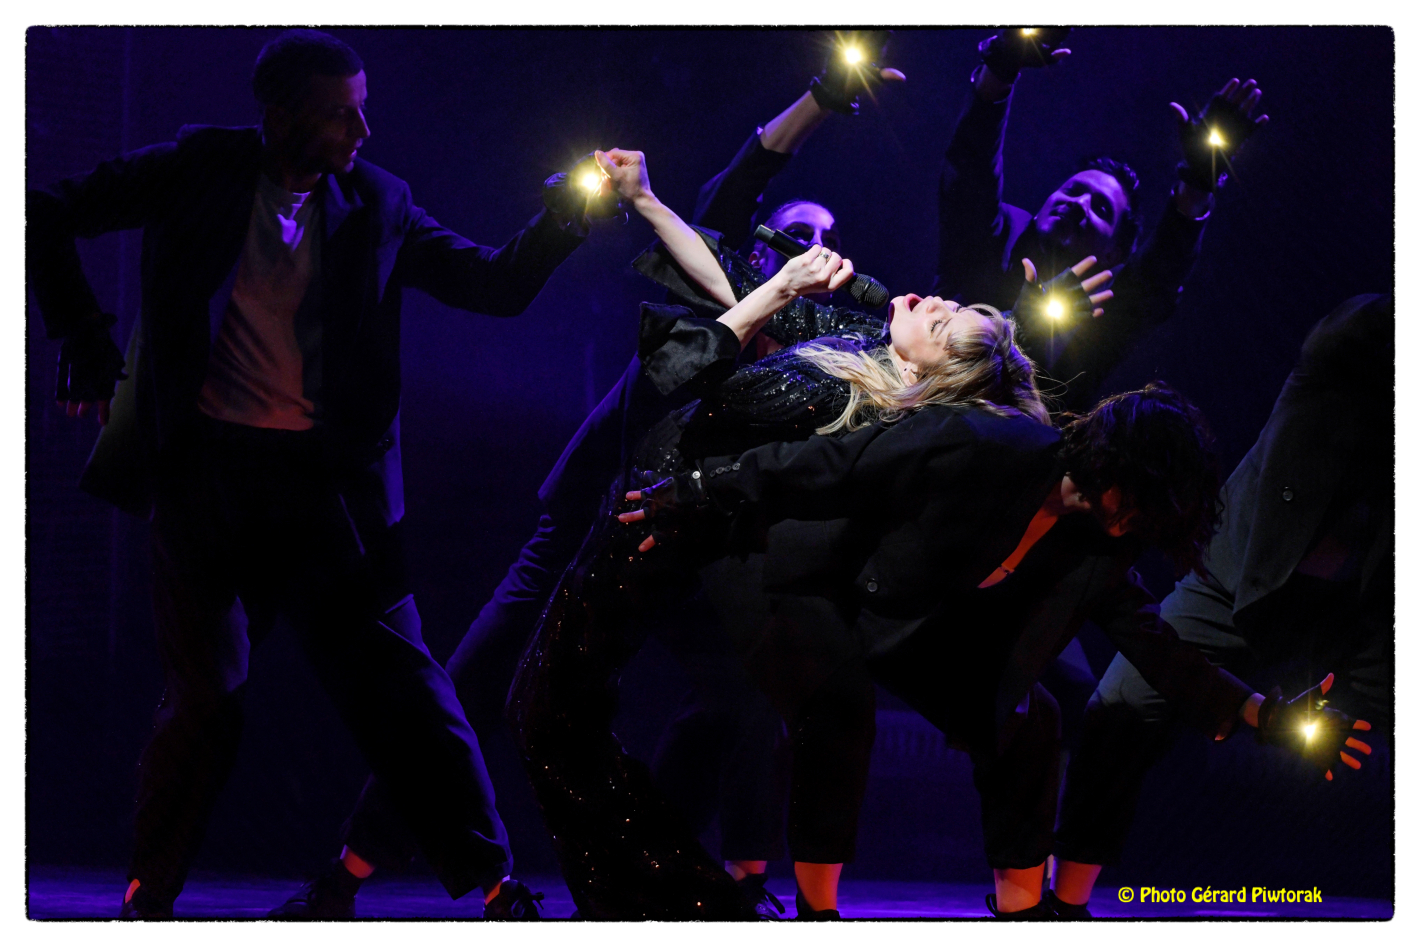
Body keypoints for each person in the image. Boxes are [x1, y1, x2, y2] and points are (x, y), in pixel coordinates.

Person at [28, 29, 588, 919]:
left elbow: (494, 285)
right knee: (207, 696)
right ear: (282, 116)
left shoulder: (379, 201)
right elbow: (42, 209)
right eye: (340, 113)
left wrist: (565, 218)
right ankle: (146, 901)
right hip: (207, 481)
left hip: (325, 492)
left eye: (362, 108)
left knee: (408, 689)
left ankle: (497, 887)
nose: (361, 129)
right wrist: (86, 344)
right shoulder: (197, 168)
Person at [507, 146, 1051, 917]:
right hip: (646, 503)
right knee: (552, 714)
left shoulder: (861, 411)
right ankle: (659, 899)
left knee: (548, 714)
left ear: (931, 374)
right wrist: (648, 199)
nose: (924, 297)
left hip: (658, 523)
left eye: (938, 317)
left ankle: (681, 901)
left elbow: (692, 379)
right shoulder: (860, 344)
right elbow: (728, 281)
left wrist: (777, 289)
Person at [631, 383, 1373, 918]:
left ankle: (1025, 914)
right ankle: (817, 913)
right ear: (1119, 466)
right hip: (824, 580)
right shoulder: (989, 444)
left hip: (914, 629)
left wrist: (1262, 714)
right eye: (1145, 501)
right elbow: (840, 463)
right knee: (840, 705)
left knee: (1031, 717)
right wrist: (703, 489)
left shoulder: (1100, 542)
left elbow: (1152, 639)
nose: (1139, 525)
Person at [1047, 294, 1391, 918]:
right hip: (1237, 581)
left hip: (1364, 618)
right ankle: (1064, 908)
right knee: (1118, 709)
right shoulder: (1347, 353)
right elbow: (1357, 325)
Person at [937, 27, 1270, 412]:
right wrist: (1001, 67)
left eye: (1101, 209)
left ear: (1114, 253)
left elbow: (1160, 274)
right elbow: (972, 168)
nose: (1079, 203)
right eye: (1073, 190)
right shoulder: (998, 235)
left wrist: (1198, 181)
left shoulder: (1102, 313)